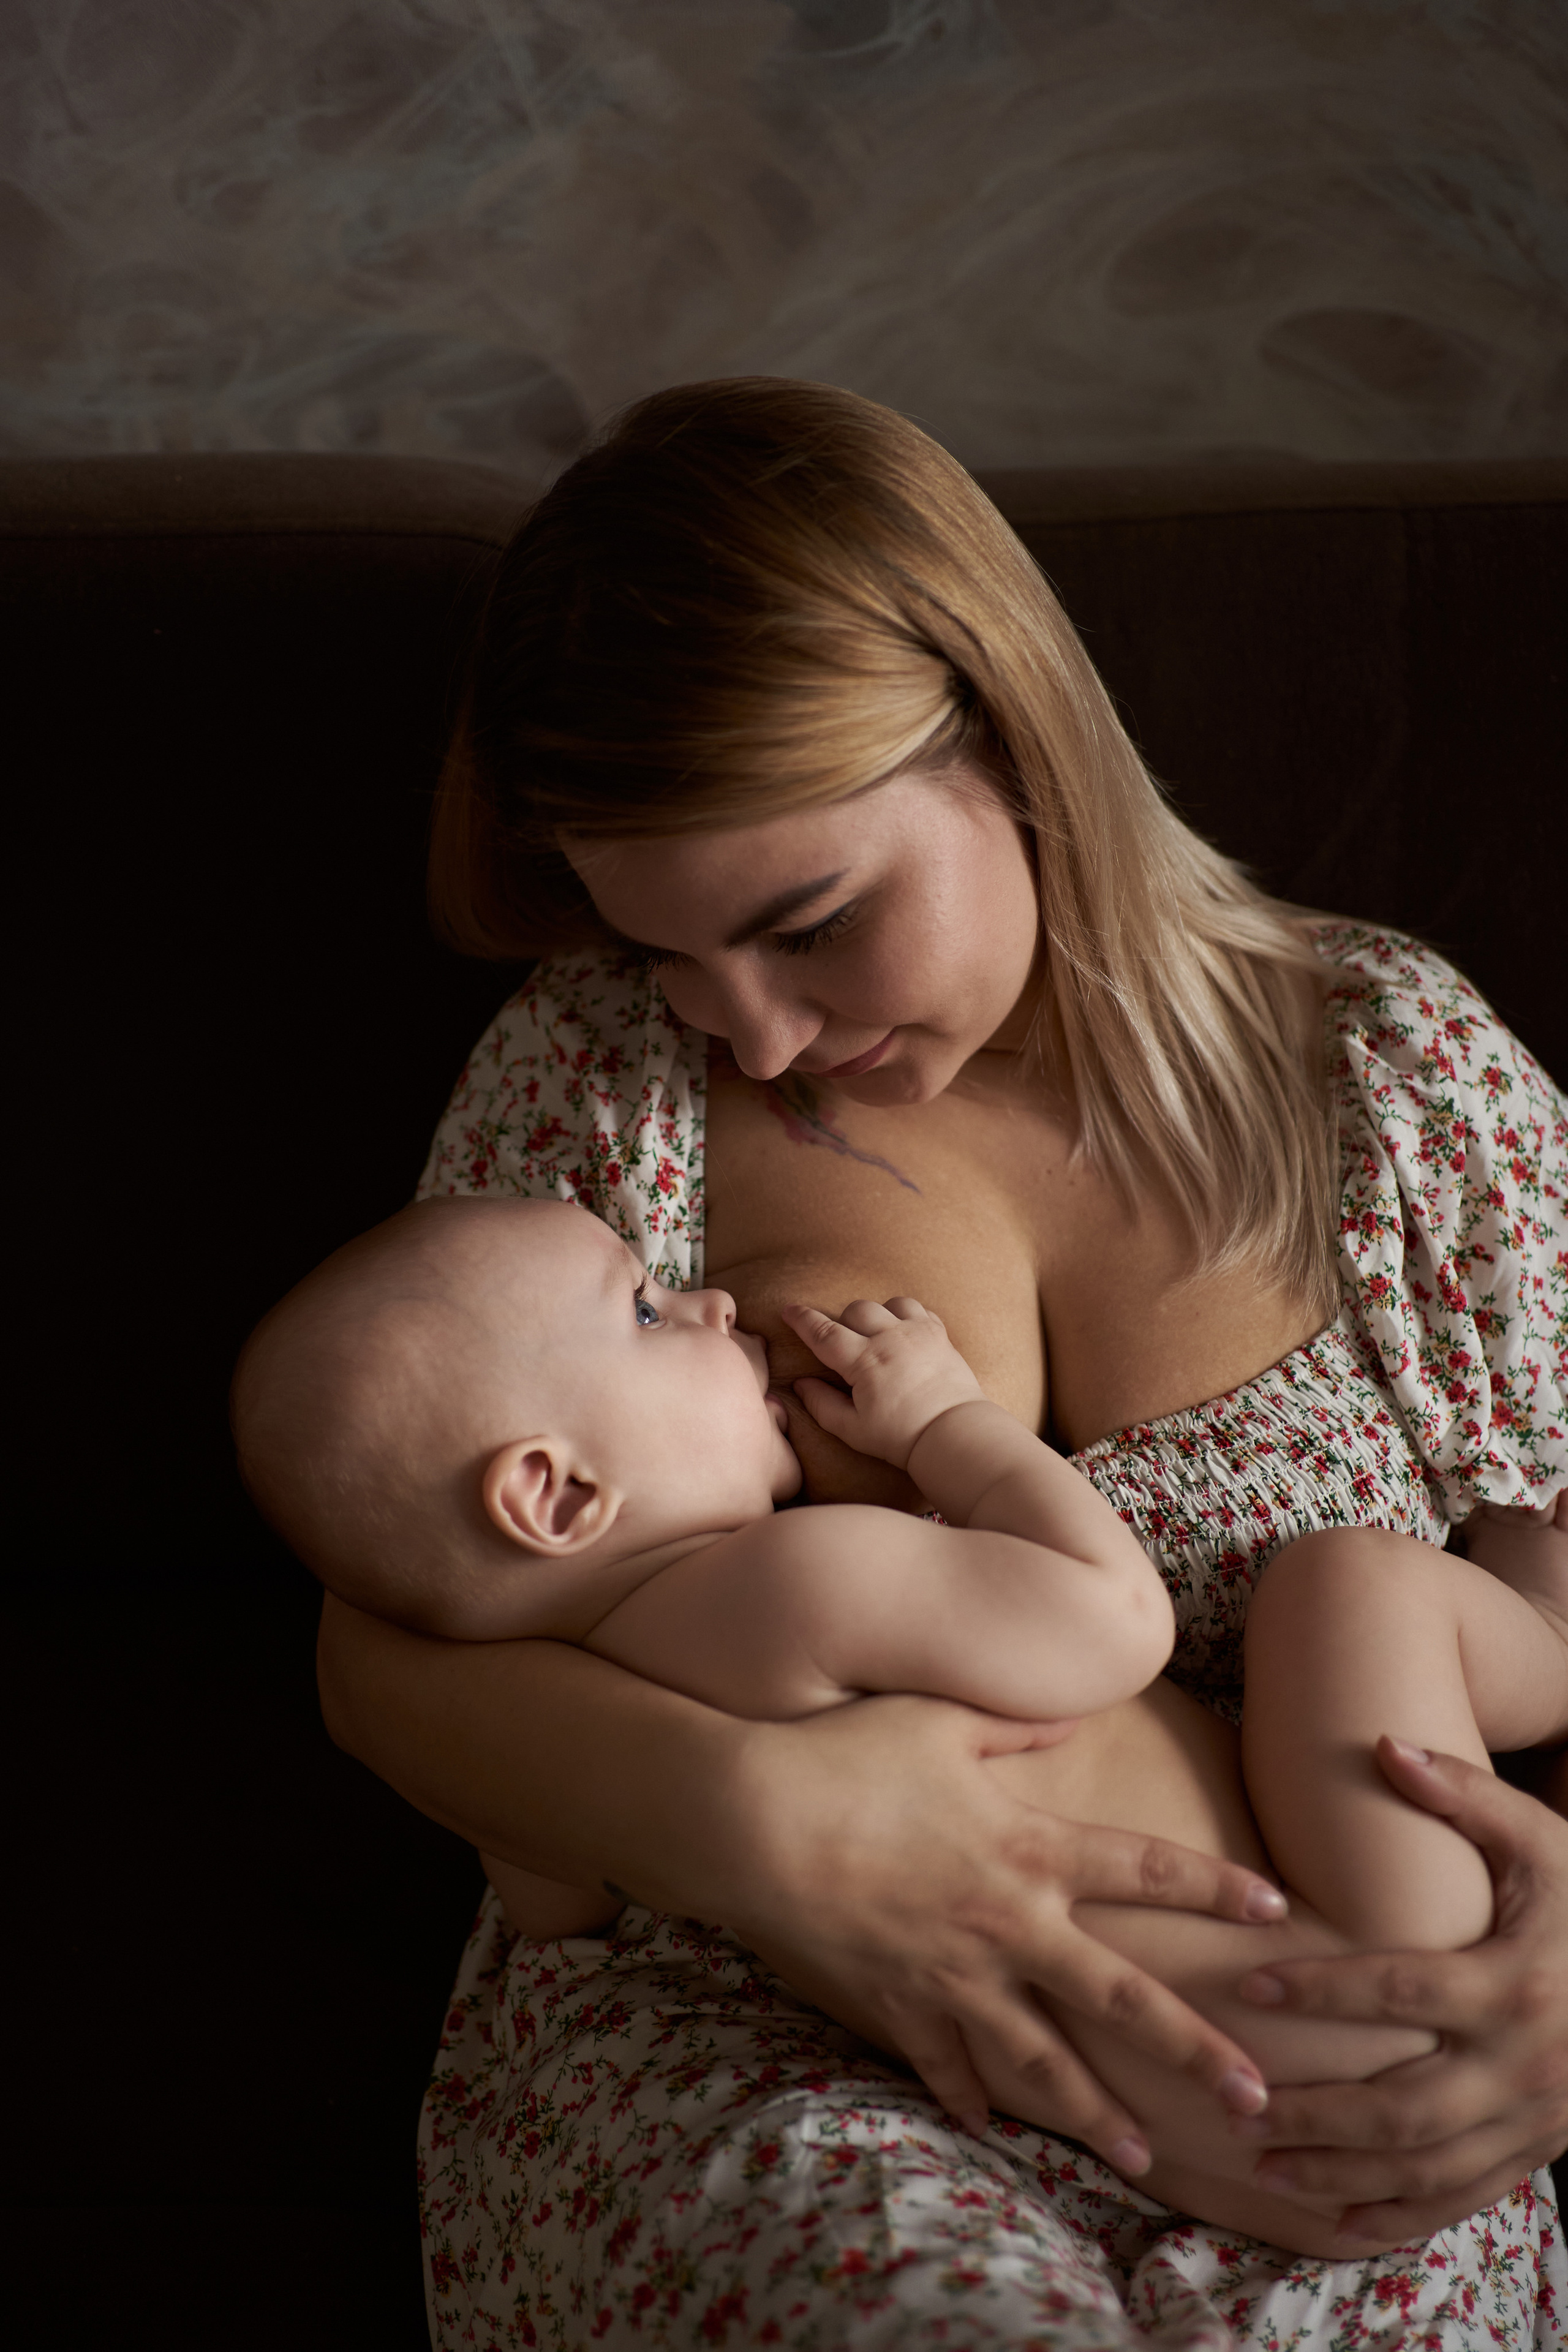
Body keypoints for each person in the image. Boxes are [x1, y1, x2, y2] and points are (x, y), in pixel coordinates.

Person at [315, 377, 1568, 2346]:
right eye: (672, 958)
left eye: (811, 924)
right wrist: (755, 1830)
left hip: (1319, 2078)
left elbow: (1549, 1568)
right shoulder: (603, 1094)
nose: (764, 1039)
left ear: (1011, 734)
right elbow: (388, 1627)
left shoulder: (1396, 1075)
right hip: (762, 2056)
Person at [241, 1191, 1566, 2260]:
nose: (706, 1299)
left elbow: (548, 1911)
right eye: (645, 1312)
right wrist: (948, 1427)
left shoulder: (555, 1752)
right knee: (1346, 1582)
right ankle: (1543, 1628)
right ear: (555, 1492)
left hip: (1249, 2173)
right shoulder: (788, 1583)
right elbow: (1114, 1624)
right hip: (1387, 1982)